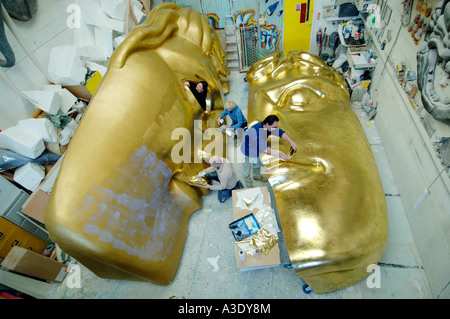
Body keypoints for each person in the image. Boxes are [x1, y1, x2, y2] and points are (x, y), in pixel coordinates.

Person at [240, 114, 297, 186]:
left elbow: (280, 132)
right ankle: (248, 183)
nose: (275, 128)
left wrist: (291, 141)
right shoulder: (256, 133)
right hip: (248, 151)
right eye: (274, 127)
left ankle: (257, 176)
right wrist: (281, 155)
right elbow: (266, 149)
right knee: (246, 169)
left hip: (257, 149)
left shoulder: (266, 127)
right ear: (267, 124)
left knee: (257, 164)